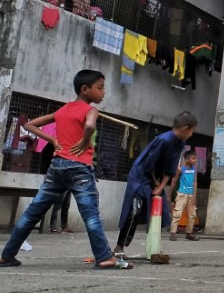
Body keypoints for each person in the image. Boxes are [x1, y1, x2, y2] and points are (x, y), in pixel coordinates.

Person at [0, 70, 129, 269]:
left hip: (57, 166)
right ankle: (104, 257)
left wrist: (52, 140)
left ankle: (7, 256)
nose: (103, 92)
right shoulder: (90, 110)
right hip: (79, 167)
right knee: (90, 214)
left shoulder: (62, 110)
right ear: (85, 90)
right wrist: (85, 141)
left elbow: (29, 125)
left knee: (33, 213)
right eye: (100, 88)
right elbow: (90, 127)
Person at [113, 112, 197, 256]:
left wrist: (161, 186)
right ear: (186, 128)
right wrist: (156, 183)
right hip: (141, 176)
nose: (192, 134)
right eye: (192, 130)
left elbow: (170, 168)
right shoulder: (163, 140)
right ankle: (119, 247)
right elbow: (149, 164)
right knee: (135, 211)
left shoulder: (179, 143)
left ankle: (153, 247)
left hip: (157, 178)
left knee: (160, 213)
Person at [39, 134, 73, 234]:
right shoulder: (52, 144)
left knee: (66, 203)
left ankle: (64, 226)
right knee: (58, 202)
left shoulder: (68, 145)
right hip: (57, 177)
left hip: (67, 177)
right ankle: (52, 225)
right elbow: (45, 159)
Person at [169, 149, 199, 242]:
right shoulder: (180, 169)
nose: (195, 160)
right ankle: (173, 233)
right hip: (182, 194)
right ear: (187, 159)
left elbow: (195, 182)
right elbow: (174, 181)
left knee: (192, 215)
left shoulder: (194, 169)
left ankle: (189, 233)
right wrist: (170, 194)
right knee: (177, 214)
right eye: (193, 158)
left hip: (191, 195)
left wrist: (194, 196)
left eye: (195, 158)